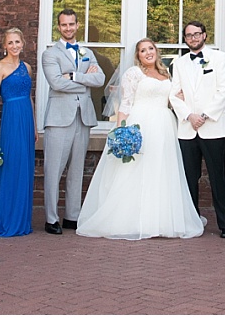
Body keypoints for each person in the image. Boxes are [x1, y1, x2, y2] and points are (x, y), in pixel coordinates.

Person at [77, 39, 206, 240]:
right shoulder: (134, 74)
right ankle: (131, 220)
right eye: (142, 50)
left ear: (156, 51)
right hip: (141, 124)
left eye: (150, 49)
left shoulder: (166, 74)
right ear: (138, 55)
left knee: (161, 171)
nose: (147, 53)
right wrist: (121, 131)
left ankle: (161, 220)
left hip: (164, 126)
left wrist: (180, 97)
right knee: (135, 172)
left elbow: (172, 101)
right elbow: (126, 104)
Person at [40, 8, 106, 234]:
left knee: (77, 170)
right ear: (59, 27)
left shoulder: (86, 51)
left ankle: (72, 216)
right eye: (64, 25)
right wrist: (86, 81)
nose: (68, 28)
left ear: (78, 26)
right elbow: (57, 83)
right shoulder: (50, 54)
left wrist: (76, 76)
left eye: (71, 24)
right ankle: (51, 218)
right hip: (59, 118)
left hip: (83, 117)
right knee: (54, 169)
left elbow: (100, 79)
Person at [168, 20, 225, 238]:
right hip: (187, 128)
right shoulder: (179, 63)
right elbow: (174, 94)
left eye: (197, 34)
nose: (193, 38)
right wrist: (189, 116)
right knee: (189, 177)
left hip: (212, 127)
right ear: (185, 39)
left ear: (205, 35)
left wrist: (204, 116)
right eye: (189, 35)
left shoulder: (219, 58)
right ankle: (191, 221)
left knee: (217, 177)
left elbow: (224, 91)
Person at [0, 27, 35, 237]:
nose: (14, 46)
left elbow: (30, 97)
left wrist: (34, 124)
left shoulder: (27, 67)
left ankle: (22, 220)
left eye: (18, 42)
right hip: (11, 118)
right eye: (10, 43)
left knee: (25, 167)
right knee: (12, 166)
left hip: (26, 118)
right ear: (5, 45)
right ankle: (8, 220)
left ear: (23, 43)